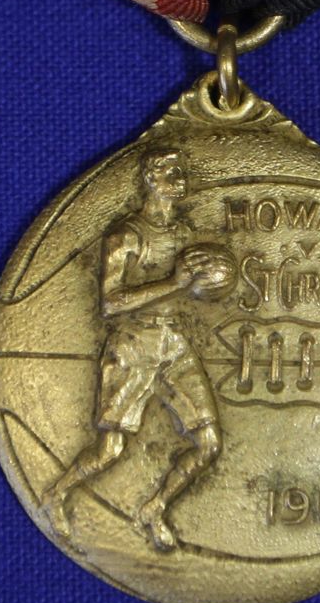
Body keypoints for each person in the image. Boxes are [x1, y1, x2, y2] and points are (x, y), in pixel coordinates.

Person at [42, 147, 221, 551]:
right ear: (150, 178)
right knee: (111, 449)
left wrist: (211, 283)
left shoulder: (182, 234)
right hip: (133, 345)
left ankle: (154, 508)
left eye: (182, 173)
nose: (180, 180)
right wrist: (176, 283)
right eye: (171, 173)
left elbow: (191, 291)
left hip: (173, 344)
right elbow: (111, 302)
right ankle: (58, 493)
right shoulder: (126, 235)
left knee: (208, 444)